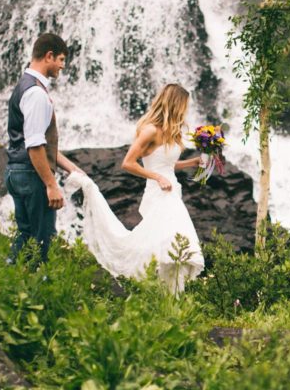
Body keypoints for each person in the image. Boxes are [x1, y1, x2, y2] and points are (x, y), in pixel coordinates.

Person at [64, 84, 205, 293]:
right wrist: (156, 177)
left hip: (171, 191)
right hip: (159, 193)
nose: (187, 110)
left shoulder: (171, 132)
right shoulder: (150, 130)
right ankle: (165, 295)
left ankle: (169, 296)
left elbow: (164, 164)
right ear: (175, 104)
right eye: (185, 105)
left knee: (173, 246)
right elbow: (128, 163)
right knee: (175, 242)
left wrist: (191, 163)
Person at [5, 33, 83, 266]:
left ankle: (8, 281)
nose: (61, 66)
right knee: (42, 241)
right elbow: (35, 146)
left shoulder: (24, 86)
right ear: (48, 56)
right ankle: (36, 291)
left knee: (25, 236)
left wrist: (72, 168)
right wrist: (51, 185)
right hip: (32, 175)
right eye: (60, 59)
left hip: (16, 171)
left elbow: (38, 142)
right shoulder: (36, 93)